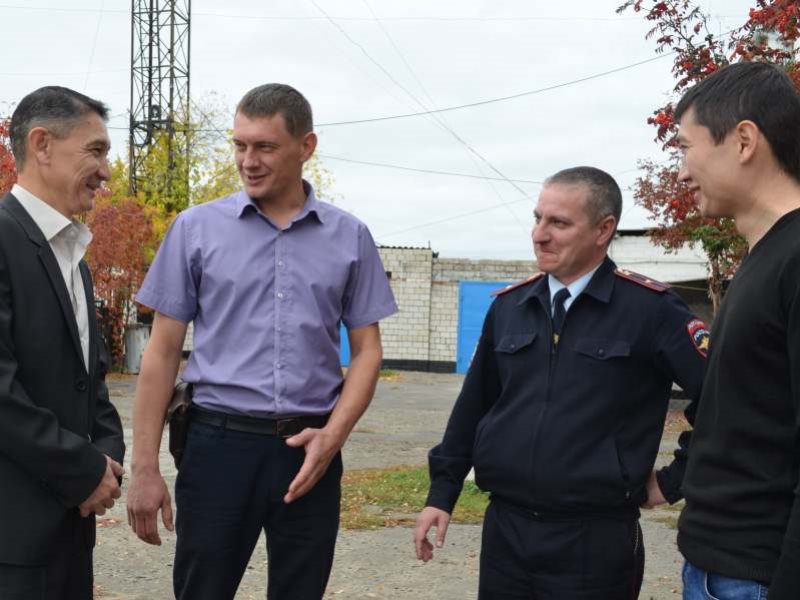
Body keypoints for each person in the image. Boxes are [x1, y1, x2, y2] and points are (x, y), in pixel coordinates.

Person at [126, 83, 398, 600]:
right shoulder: (195, 229)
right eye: (240, 145)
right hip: (216, 446)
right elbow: (160, 354)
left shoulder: (350, 237)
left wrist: (333, 436)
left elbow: (367, 352)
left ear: (307, 146)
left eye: (265, 147)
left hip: (309, 449)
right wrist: (144, 467)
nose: (248, 161)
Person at [414, 166, 707, 599]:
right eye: (538, 218)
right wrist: (442, 493)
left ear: (603, 229)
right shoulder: (512, 306)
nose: (539, 234)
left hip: (594, 538)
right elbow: (475, 406)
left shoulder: (650, 310)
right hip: (506, 531)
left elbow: (724, 400)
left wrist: (674, 480)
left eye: (559, 223)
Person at [674, 62, 800, 600]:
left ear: (744, 140)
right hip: (716, 565)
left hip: (756, 576)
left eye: (685, 146)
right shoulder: (761, 258)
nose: (680, 172)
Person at [0, 86, 125, 599]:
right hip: (12, 542)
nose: (106, 171)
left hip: (70, 533)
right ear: (42, 145)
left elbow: (90, 381)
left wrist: (107, 457)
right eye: (95, 151)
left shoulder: (74, 257)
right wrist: (83, 470)